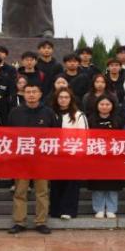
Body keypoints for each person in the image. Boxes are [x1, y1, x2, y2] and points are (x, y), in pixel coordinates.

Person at [8, 83, 60, 235]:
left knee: (42, 192)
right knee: (20, 191)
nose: (31, 94)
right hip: (21, 158)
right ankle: (19, 222)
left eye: (34, 91)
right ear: (23, 94)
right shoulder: (15, 112)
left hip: (42, 158)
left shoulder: (48, 112)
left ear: (40, 94)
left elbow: (56, 135)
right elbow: (9, 134)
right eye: (28, 92)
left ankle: (41, 222)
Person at [49, 88, 87, 220]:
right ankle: (55, 210)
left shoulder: (78, 115)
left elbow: (84, 136)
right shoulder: (50, 113)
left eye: (66, 97)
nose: (63, 100)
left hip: (72, 154)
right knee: (56, 183)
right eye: (60, 97)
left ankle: (68, 210)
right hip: (54, 153)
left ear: (71, 99)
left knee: (71, 184)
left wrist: (79, 153)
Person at [86, 96, 125, 219]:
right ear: (97, 105)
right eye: (102, 104)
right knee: (98, 184)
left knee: (112, 184)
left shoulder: (118, 120)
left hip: (114, 157)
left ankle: (111, 209)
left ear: (112, 106)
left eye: (107, 104)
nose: (104, 107)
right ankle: (98, 208)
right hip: (96, 157)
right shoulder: (90, 119)